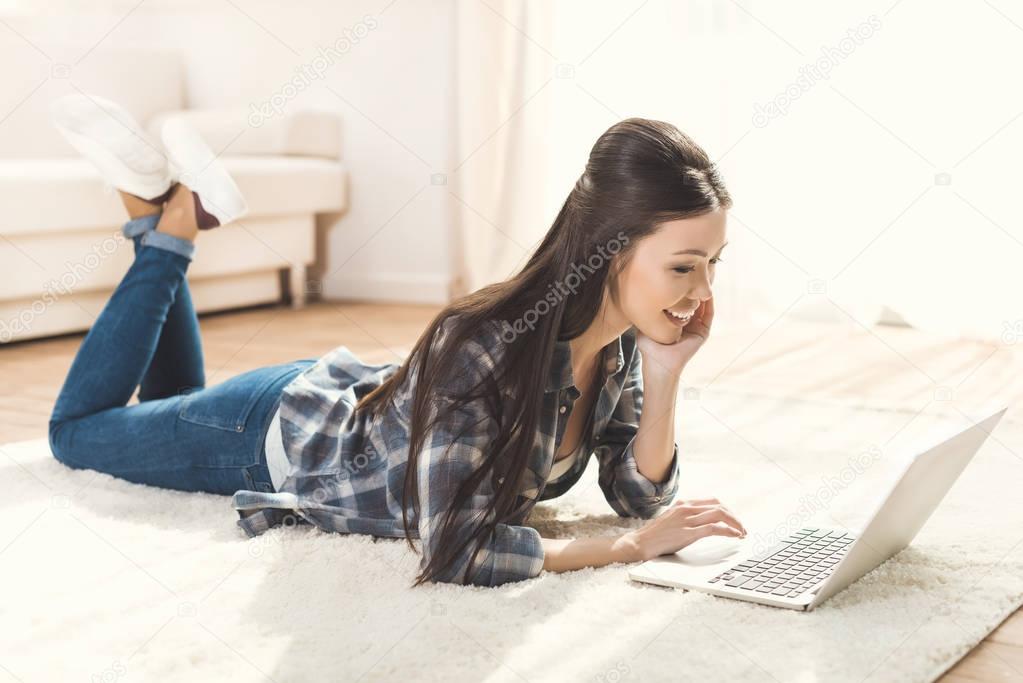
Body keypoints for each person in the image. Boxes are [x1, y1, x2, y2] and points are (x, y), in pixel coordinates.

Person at [47, 95, 747, 588]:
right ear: (609, 250)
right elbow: (454, 550)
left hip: (328, 403)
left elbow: (637, 494)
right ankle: (173, 231)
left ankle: (154, 207)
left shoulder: (620, 341)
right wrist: (623, 550)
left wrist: (666, 370)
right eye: (683, 266)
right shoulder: (488, 345)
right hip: (268, 434)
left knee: (170, 404)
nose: (702, 291)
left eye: (712, 264)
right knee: (76, 434)